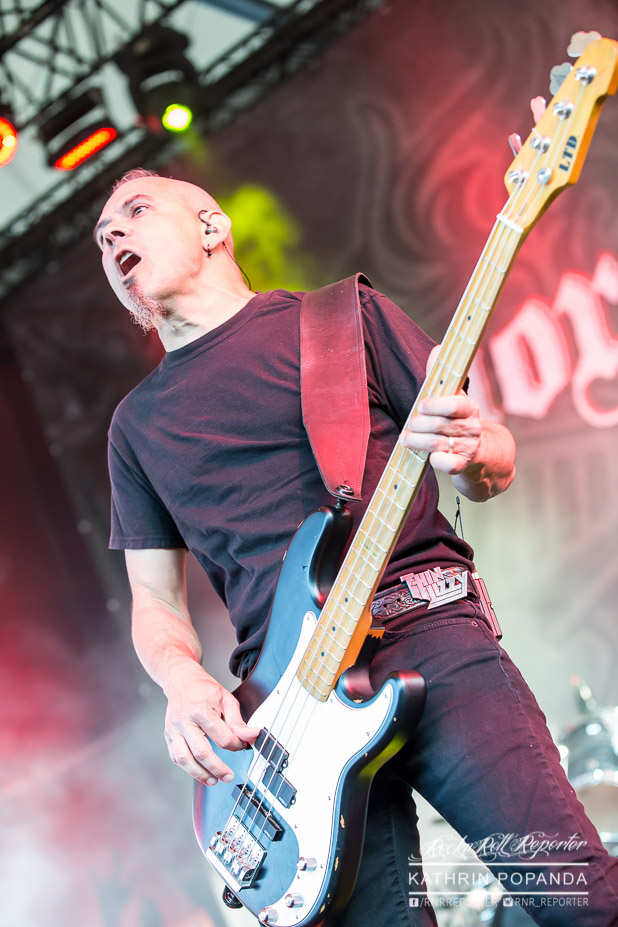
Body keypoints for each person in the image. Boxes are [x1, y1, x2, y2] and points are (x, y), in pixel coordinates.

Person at [97, 168, 618, 926]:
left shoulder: (342, 319)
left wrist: (471, 452)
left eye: (136, 211)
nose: (113, 235)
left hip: (426, 635)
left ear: (212, 227)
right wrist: (182, 682)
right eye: (102, 237)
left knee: (580, 903)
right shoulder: (136, 427)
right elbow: (153, 599)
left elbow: (491, 456)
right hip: (289, 717)